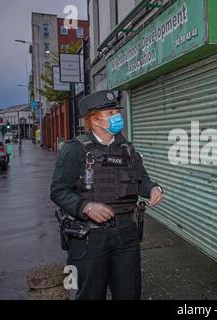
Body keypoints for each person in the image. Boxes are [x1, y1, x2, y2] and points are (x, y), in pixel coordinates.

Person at [50, 90, 164, 300]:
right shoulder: (74, 150)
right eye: (110, 112)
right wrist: (85, 207)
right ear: (94, 120)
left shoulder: (127, 149)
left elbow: (141, 180)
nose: (116, 116)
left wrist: (153, 188)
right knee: (90, 294)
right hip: (89, 237)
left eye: (116, 111)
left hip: (126, 233)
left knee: (129, 293)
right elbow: (58, 191)